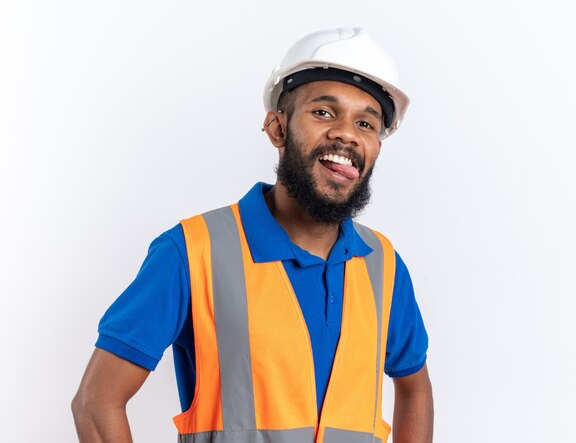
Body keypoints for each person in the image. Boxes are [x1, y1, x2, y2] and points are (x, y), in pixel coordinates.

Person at [72, 27, 433, 443]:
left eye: (366, 123)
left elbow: (414, 386)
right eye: (323, 112)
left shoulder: (382, 264)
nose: (347, 133)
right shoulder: (193, 251)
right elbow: (96, 402)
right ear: (277, 128)